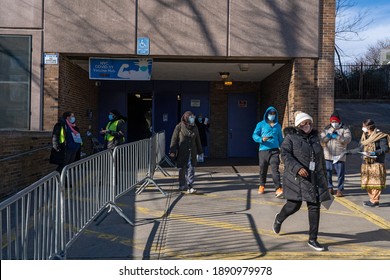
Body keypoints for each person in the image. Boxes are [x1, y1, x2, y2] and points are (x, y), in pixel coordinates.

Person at [273, 111, 331, 251]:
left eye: (309, 123)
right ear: (299, 125)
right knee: (294, 205)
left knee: (314, 207)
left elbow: (321, 160)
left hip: (313, 179)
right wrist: (297, 168)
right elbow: (285, 155)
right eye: (304, 123)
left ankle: (313, 239)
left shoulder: (315, 138)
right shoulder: (290, 138)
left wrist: (327, 182)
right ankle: (279, 218)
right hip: (296, 178)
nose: (308, 126)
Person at [348, 119, 389, 207]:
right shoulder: (365, 136)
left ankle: (375, 201)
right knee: (368, 183)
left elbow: (385, 148)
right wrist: (348, 152)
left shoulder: (380, 136)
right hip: (366, 163)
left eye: (364, 127)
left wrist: (374, 153)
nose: (363, 128)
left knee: (375, 183)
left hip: (376, 163)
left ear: (369, 127)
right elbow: (360, 149)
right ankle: (372, 199)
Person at [252, 106, 284, 198]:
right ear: (267, 114)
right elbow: (254, 135)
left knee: (275, 169)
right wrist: (261, 139)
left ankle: (278, 188)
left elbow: (280, 138)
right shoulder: (260, 124)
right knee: (263, 169)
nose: (272, 115)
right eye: (270, 113)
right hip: (263, 150)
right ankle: (262, 185)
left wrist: (283, 147)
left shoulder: (278, 126)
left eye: (274, 113)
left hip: (274, 150)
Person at [169, 111, 203, 194]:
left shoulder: (195, 127)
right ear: (186, 118)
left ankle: (190, 186)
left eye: (193, 117)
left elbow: (198, 140)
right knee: (182, 169)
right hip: (182, 152)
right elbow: (174, 139)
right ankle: (181, 184)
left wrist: (200, 151)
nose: (192, 119)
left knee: (191, 169)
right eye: (191, 117)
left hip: (192, 152)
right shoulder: (179, 127)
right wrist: (172, 151)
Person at [320, 111, 352, 197]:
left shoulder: (345, 129)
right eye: (332, 122)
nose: (334, 123)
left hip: (339, 155)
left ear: (339, 121)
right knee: (328, 173)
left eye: (335, 121)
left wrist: (337, 136)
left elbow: (347, 140)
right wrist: (328, 137)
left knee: (340, 174)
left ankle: (340, 189)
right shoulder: (327, 129)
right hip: (328, 155)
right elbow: (321, 141)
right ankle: (329, 187)